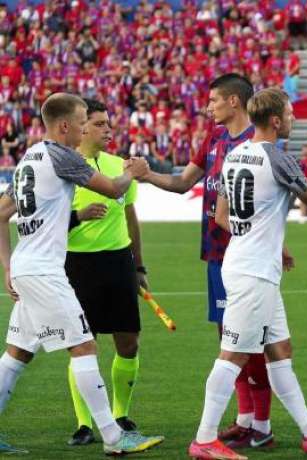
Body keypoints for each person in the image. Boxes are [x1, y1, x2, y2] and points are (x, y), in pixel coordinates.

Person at [188, 87, 307, 460]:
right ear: (276, 121)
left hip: (244, 261)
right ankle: (204, 439)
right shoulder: (279, 158)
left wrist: (260, 237)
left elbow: (221, 216)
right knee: (233, 355)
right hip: (254, 272)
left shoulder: (234, 155)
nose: (293, 119)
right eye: (290, 114)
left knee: (280, 349)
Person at [0, 93, 160, 455]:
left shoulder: (30, 157)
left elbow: (1, 213)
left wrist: (8, 266)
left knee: (18, 353)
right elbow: (113, 189)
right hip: (45, 272)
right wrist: (132, 172)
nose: (85, 127)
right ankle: (115, 438)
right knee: (84, 346)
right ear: (64, 126)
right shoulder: (62, 155)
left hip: (26, 267)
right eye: (82, 120)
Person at [143, 74, 275, 450]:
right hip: (217, 254)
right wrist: (147, 175)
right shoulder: (214, 139)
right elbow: (184, 182)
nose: (208, 106)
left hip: (248, 257)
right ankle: (245, 419)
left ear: (234, 101)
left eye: (214, 99)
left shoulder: (258, 143)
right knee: (228, 337)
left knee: (250, 342)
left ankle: (262, 424)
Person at [63, 98, 158, 445]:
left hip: (119, 262)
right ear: (82, 126)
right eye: (99, 124)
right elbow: (50, 222)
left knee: (129, 342)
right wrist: (80, 216)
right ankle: (84, 423)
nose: (108, 130)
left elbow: (131, 217)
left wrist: (139, 265)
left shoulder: (119, 165)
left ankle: (120, 414)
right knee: (82, 345)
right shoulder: (65, 167)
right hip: (77, 264)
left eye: (108, 123)